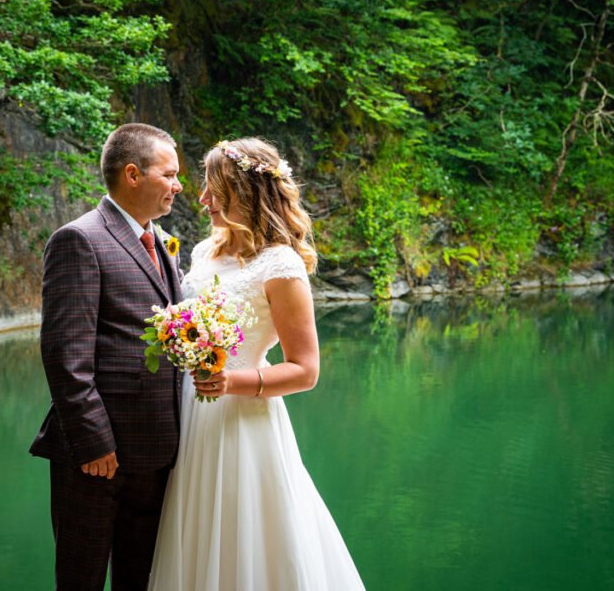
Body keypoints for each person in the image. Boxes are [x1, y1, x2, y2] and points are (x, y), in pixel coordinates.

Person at [148, 138, 366, 590]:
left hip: (245, 422)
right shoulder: (203, 253)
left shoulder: (281, 265)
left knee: (249, 540)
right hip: (191, 417)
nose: (202, 199)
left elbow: (305, 370)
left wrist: (232, 381)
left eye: (213, 189)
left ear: (243, 192)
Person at [30, 123, 185, 590]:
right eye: (170, 174)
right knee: (82, 578)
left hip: (155, 452)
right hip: (97, 457)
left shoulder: (162, 243)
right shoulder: (79, 239)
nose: (178, 186)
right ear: (133, 175)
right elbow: (65, 355)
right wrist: (95, 442)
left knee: (139, 580)